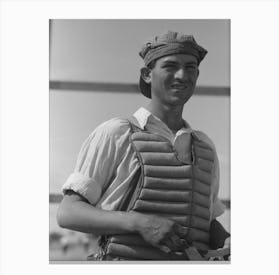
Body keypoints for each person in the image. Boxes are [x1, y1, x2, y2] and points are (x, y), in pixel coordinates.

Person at [57, 31, 230, 261]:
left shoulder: (205, 147)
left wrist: (227, 240)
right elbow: (68, 212)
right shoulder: (117, 133)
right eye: (170, 66)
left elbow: (205, 221)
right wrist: (139, 223)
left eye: (190, 68)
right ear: (147, 74)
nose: (182, 75)